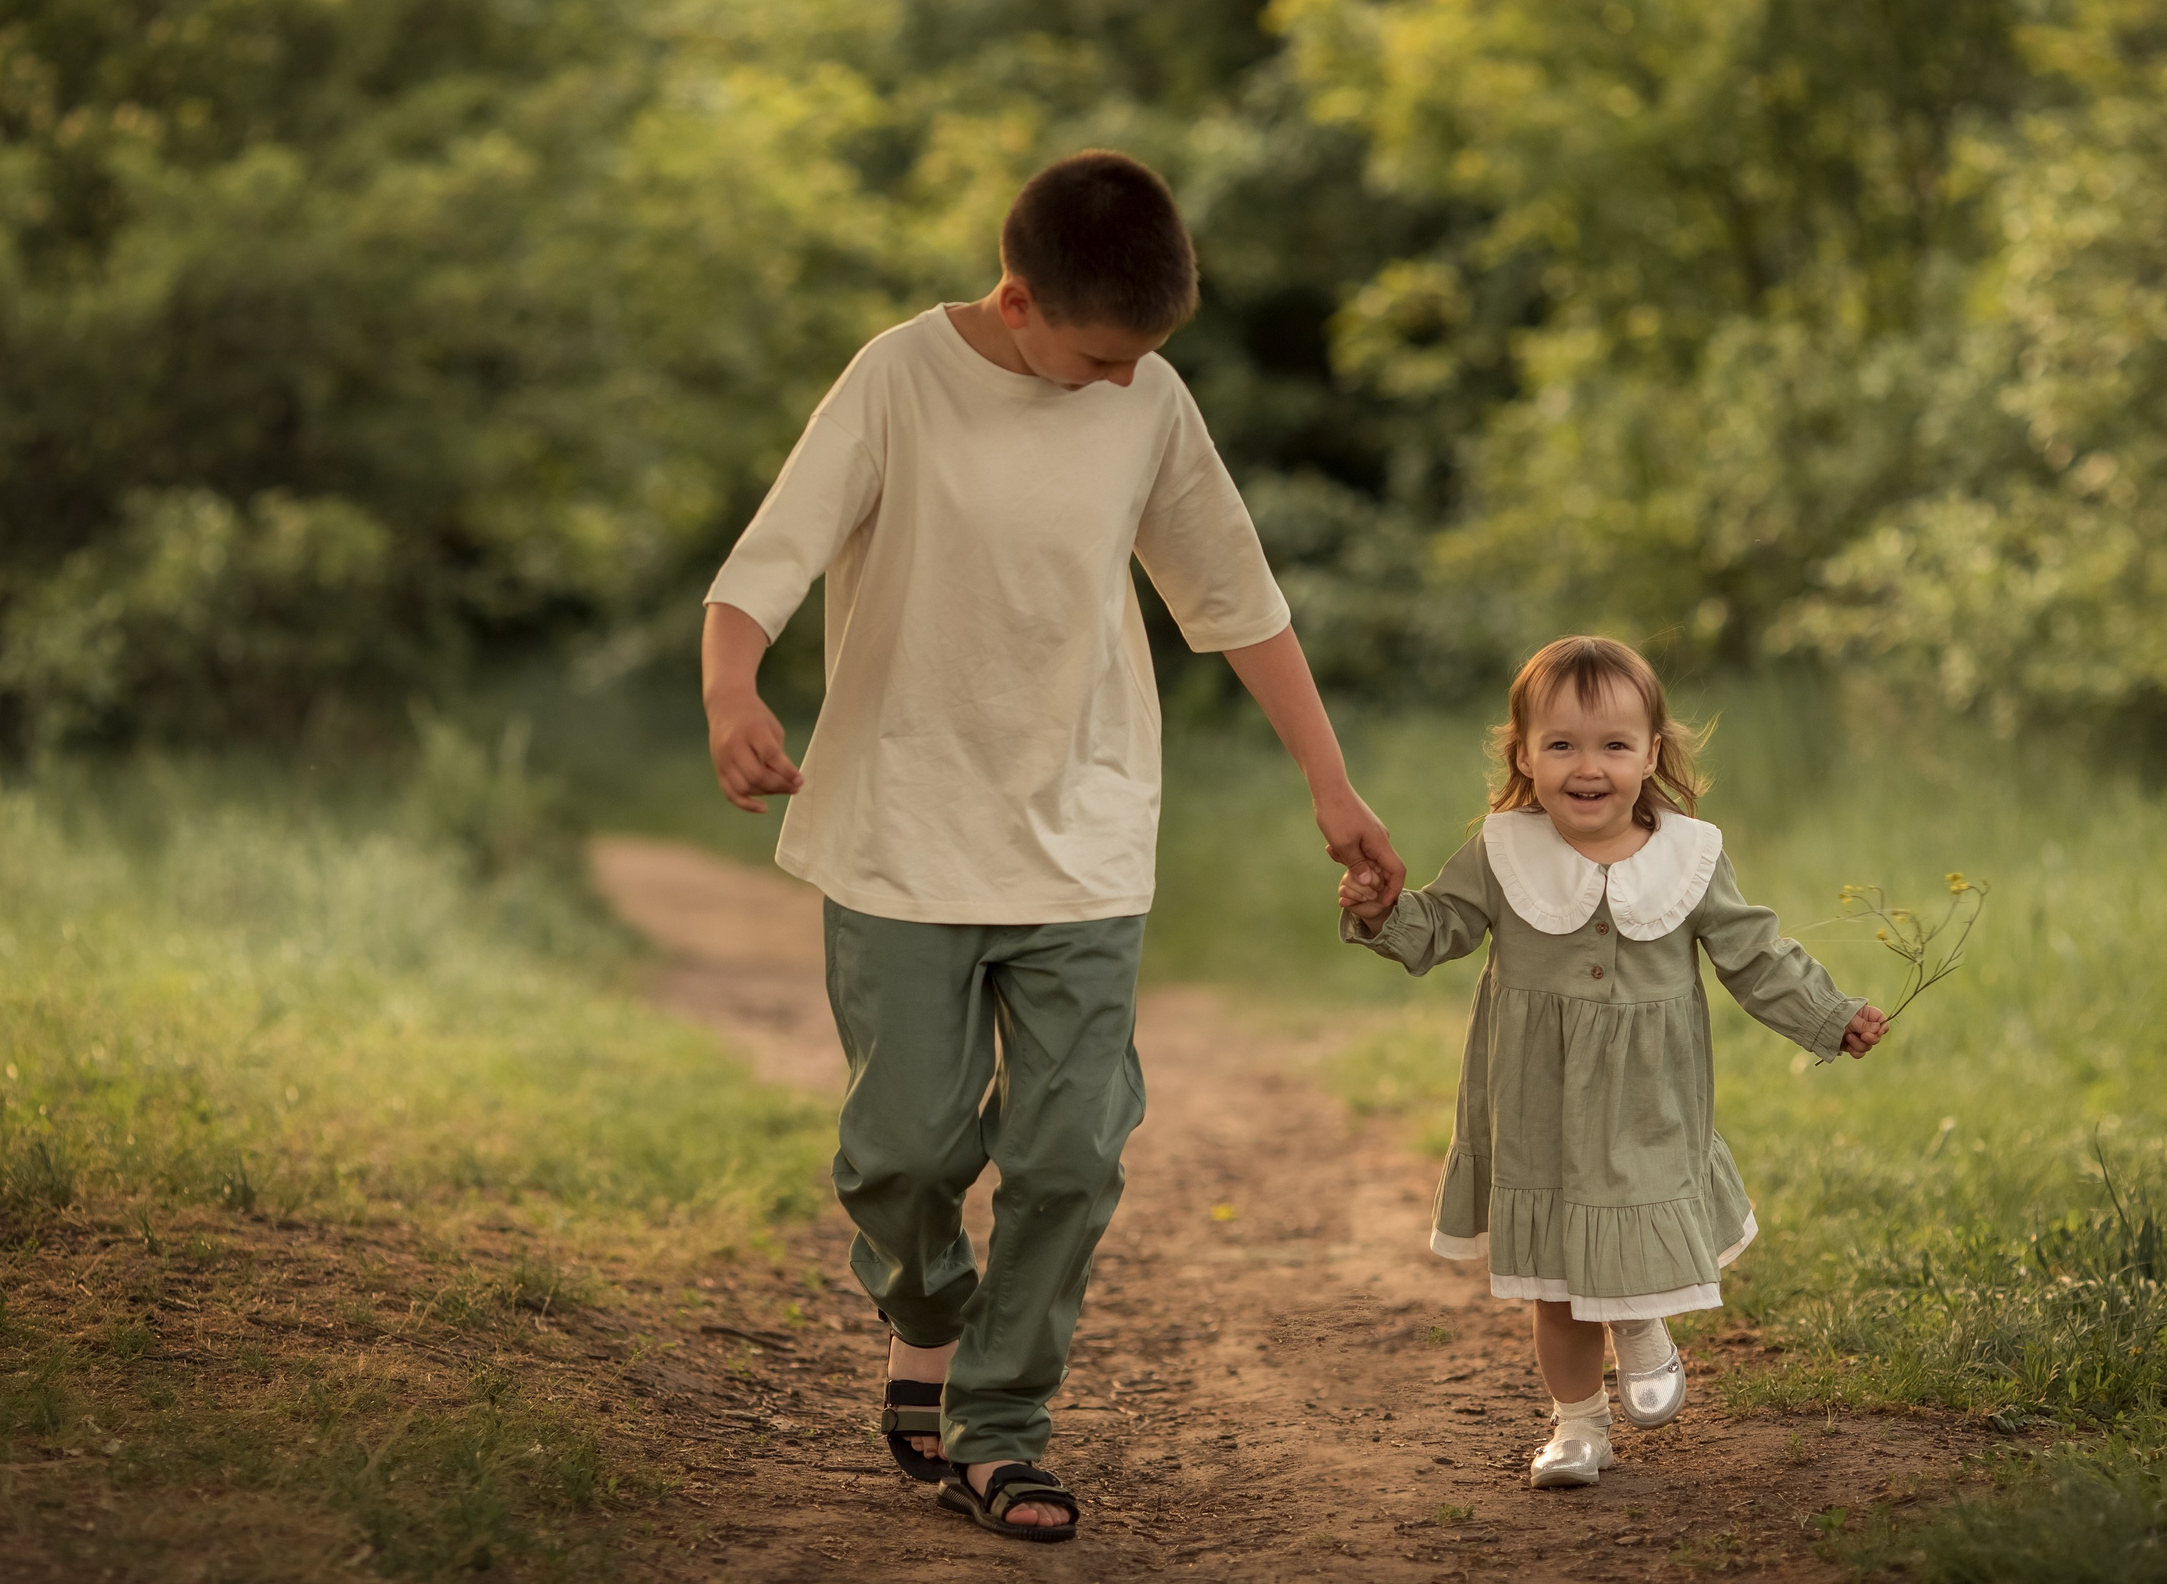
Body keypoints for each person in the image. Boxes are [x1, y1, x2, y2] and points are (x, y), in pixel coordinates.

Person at [701, 150, 1405, 1542]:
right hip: (900, 832)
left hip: (1084, 832)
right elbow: (766, 561)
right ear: (1017, 301)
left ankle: (1001, 1426)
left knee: (1072, 1152)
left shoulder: (1146, 398)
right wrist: (732, 689)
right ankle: (929, 1319)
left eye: (1145, 359)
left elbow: (1235, 597)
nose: (1121, 381)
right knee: (902, 1152)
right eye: (1098, 356)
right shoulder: (898, 379)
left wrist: (1333, 786)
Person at [1334, 635, 1885, 1488]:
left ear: (1651, 753)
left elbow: (1755, 955)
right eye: (1560, 745)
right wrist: (1382, 912)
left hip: (1648, 1098)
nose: (1587, 768)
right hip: (1535, 1103)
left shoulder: (1689, 855)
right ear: (1523, 753)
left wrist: (1829, 1013)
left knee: (1637, 1219)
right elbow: (1440, 925)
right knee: (1556, 1277)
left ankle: (1642, 1325)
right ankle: (1577, 1427)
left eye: (1613, 745)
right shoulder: (1503, 850)